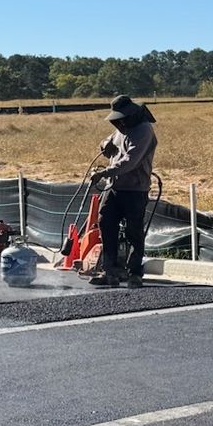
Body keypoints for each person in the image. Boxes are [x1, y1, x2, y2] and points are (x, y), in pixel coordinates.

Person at [91, 95, 156, 289]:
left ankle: (134, 273)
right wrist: (104, 145)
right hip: (115, 188)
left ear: (130, 115)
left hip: (135, 189)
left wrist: (105, 172)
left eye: (120, 119)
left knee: (134, 231)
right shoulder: (121, 130)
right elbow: (107, 142)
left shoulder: (143, 130)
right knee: (105, 223)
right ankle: (109, 270)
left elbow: (130, 161)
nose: (118, 123)